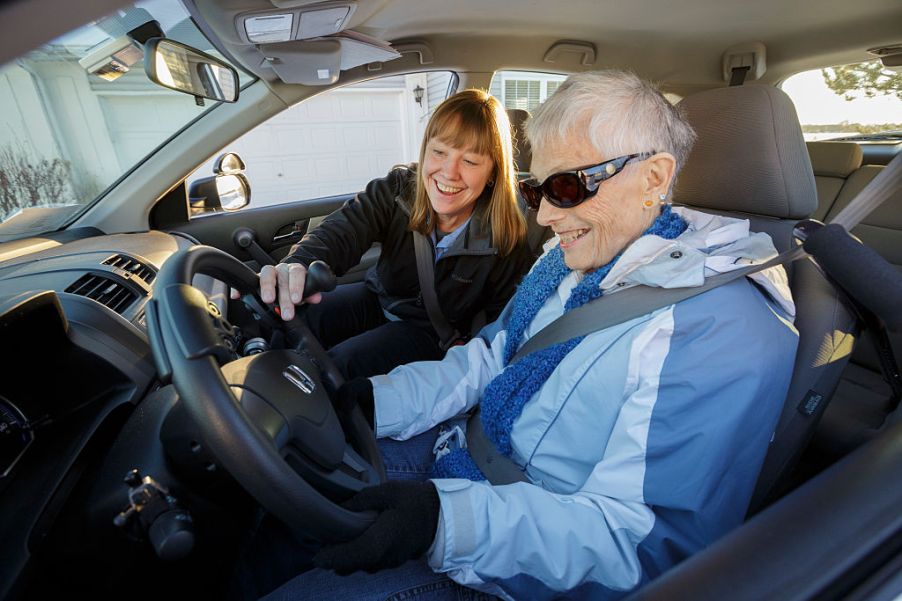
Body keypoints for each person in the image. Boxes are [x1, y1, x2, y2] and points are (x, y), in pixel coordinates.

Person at [262, 70, 800, 600]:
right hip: (467, 455)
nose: (543, 213)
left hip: (519, 556)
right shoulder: (573, 262)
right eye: (536, 188)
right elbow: (491, 359)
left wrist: (440, 521)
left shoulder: (718, 329)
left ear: (654, 179)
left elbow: (643, 547)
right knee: (294, 485)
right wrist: (377, 400)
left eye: (566, 186)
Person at [254, 89, 532, 380]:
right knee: (292, 321)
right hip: (378, 299)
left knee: (338, 368)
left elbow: (503, 320)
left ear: (492, 173)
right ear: (425, 152)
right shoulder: (398, 190)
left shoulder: (505, 238)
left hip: (428, 333)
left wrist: (470, 352)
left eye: (470, 161)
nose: (449, 172)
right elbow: (342, 230)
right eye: (439, 152)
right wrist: (298, 263)